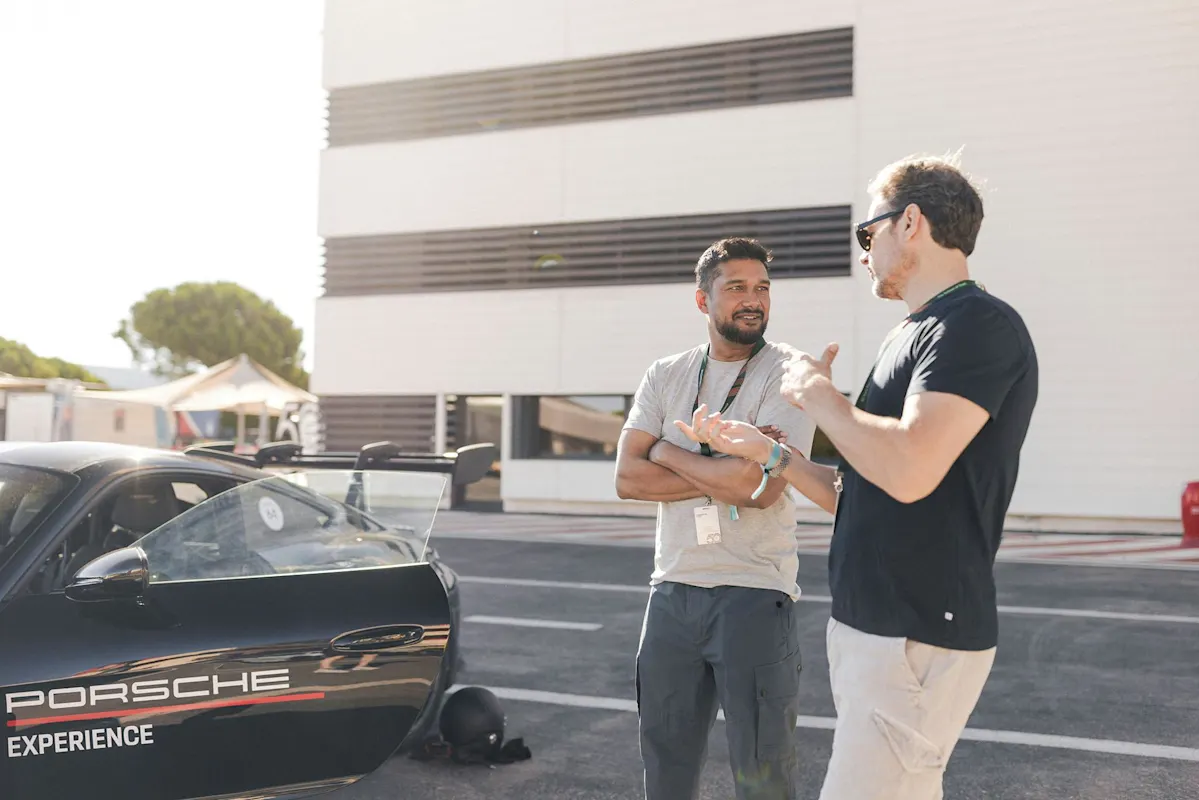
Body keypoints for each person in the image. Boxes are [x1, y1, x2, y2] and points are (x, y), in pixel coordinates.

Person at [676, 154, 1039, 800]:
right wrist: (772, 455)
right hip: (881, 629)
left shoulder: (974, 325)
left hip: (915, 631)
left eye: (867, 233)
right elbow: (861, 490)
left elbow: (909, 469)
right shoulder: (917, 332)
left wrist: (820, 398)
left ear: (911, 222)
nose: (863, 251)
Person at [615, 237, 817, 800]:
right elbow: (627, 479)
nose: (753, 300)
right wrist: (725, 467)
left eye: (762, 288)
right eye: (737, 288)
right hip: (672, 590)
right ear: (703, 301)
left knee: (763, 770)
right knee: (666, 765)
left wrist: (665, 451)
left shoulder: (789, 373)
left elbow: (763, 487)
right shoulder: (666, 374)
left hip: (754, 591)